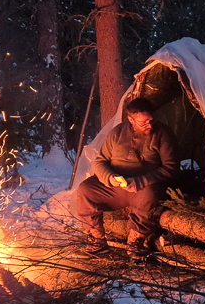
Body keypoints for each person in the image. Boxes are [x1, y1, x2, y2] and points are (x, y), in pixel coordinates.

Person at [76, 97, 179, 256]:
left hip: (144, 188)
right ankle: (97, 242)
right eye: (143, 123)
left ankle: (135, 244)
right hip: (117, 188)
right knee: (85, 190)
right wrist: (110, 178)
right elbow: (100, 161)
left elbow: (171, 168)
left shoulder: (163, 134)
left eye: (151, 120)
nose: (149, 125)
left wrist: (140, 181)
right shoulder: (117, 132)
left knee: (149, 195)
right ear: (131, 119)